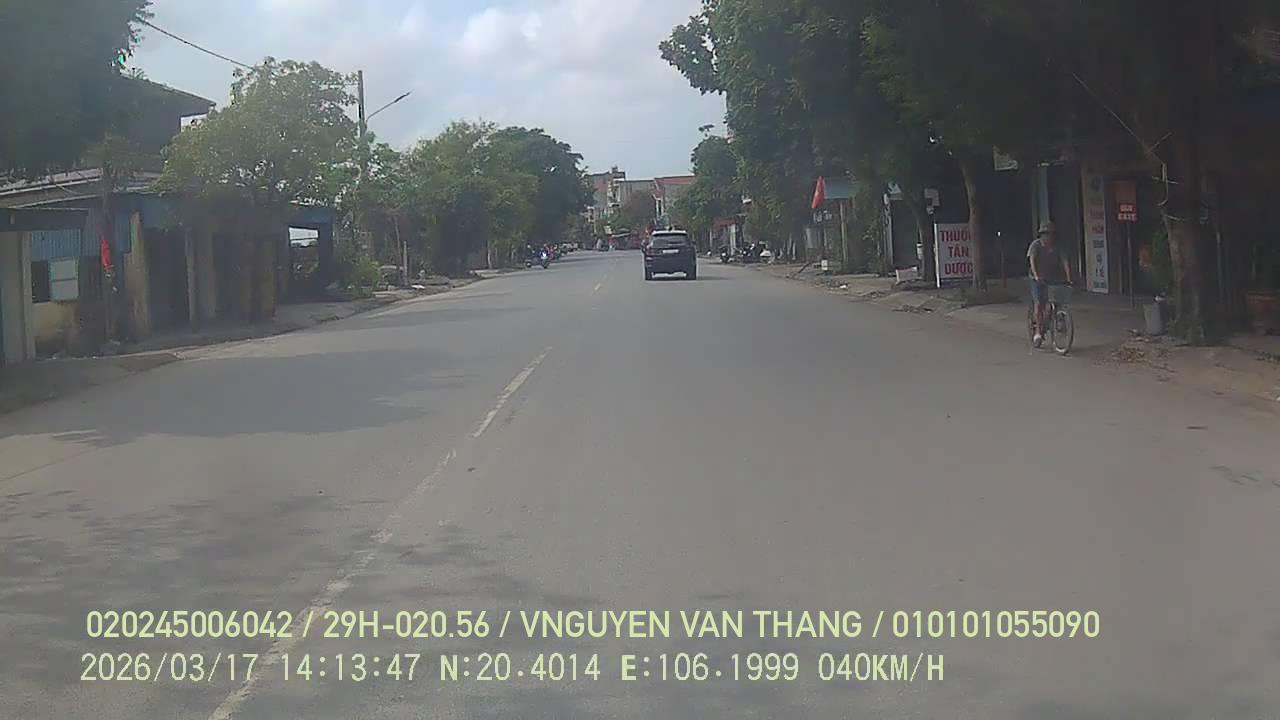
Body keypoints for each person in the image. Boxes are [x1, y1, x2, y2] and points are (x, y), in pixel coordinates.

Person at [1027, 221, 1073, 348]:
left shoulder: (1058, 246)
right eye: (1046, 234)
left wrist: (1069, 278)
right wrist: (1036, 275)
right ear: (1042, 235)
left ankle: (1051, 321)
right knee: (1038, 303)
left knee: (1053, 302)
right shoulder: (1036, 245)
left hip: (1052, 277)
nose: (1049, 237)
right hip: (1036, 278)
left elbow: (1065, 261)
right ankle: (1037, 332)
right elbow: (1032, 260)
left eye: (1051, 234)